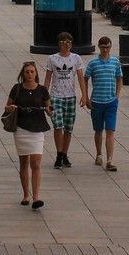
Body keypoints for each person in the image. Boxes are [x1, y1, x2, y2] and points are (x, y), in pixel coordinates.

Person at [5, 61, 53, 209]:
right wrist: (11, 108)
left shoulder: (42, 90)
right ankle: (26, 194)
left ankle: (36, 197)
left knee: (36, 163)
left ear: (36, 73)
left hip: (38, 128)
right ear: (23, 74)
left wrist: (49, 110)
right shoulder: (17, 88)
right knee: (24, 162)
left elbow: (49, 107)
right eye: (27, 72)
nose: (30, 74)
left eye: (32, 72)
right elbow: (7, 106)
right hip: (21, 128)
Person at [46, 33, 88, 169]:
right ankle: (59, 154)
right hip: (56, 96)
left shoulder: (76, 58)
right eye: (64, 42)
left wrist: (84, 95)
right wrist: (44, 98)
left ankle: (64, 153)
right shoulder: (52, 59)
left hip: (70, 96)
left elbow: (81, 77)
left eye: (69, 42)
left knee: (68, 127)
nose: (67, 44)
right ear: (59, 44)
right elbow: (48, 79)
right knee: (58, 125)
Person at [85, 36, 123, 171]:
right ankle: (99, 154)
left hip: (111, 101)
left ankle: (110, 159)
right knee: (98, 130)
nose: (105, 49)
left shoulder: (115, 62)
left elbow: (119, 78)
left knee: (110, 130)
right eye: (103, 47)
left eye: (108, 47)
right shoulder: (93, 63)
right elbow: (85, 78)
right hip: (96, 101)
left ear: (110, 47)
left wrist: (117, 96)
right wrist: (86, 97)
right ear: (99, 47)